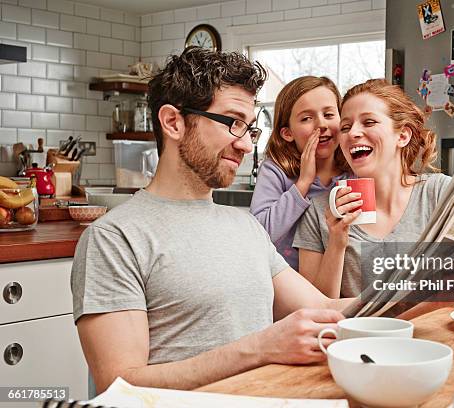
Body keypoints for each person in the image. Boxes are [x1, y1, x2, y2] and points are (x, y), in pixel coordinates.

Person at [70, 48, 354, 394]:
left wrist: (426, 292)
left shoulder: (245, 227)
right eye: (233, 123)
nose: (247, 146)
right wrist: (262, 348)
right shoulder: (115, 238)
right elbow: (119, 383)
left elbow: (323, 307)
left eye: (249, 130)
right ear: (173, 122)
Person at [293, 79, 454, 303]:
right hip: (354, 337)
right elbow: (313, 308)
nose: (352, 134)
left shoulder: (441, 193)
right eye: (346, 127)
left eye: (369, 122)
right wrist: (337, 241)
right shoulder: (319, 210)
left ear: (403, 136)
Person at [250, 76, 353, 270]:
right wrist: (303, 183)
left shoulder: (353, 171)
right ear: (287, 133)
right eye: (306, 118)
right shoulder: (276, 170)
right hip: (288, 283)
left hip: (338, 280)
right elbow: (259, 233)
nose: (321, 124)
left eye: (329, 115)